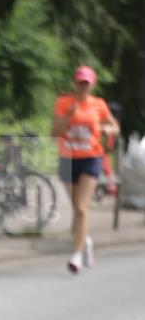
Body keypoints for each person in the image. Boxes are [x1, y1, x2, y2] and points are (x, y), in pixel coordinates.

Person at [51, 65, 120, 273]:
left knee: (81, 207)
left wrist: (105, 128)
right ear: (75, 82)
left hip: (91, 158)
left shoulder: (98, 105)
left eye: (86, 84)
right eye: (80, 82)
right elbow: (54, 133)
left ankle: (76, 256)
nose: (83, 87)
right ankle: (86, 241)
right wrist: (67, 116)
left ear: (92, 85)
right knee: (76, 209)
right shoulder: (63, 102)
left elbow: (114, 127)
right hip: (67, 159)